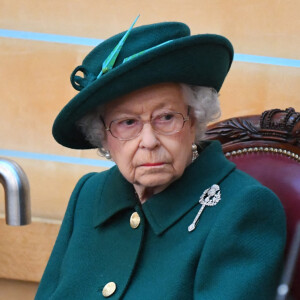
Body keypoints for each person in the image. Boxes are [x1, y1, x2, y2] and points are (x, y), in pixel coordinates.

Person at [35, 18, 286, 300]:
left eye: (166, 117)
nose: (149, 141)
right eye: (127, 123)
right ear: (104, 136)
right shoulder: (89, 194)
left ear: (194, 119)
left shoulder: (243, 208)